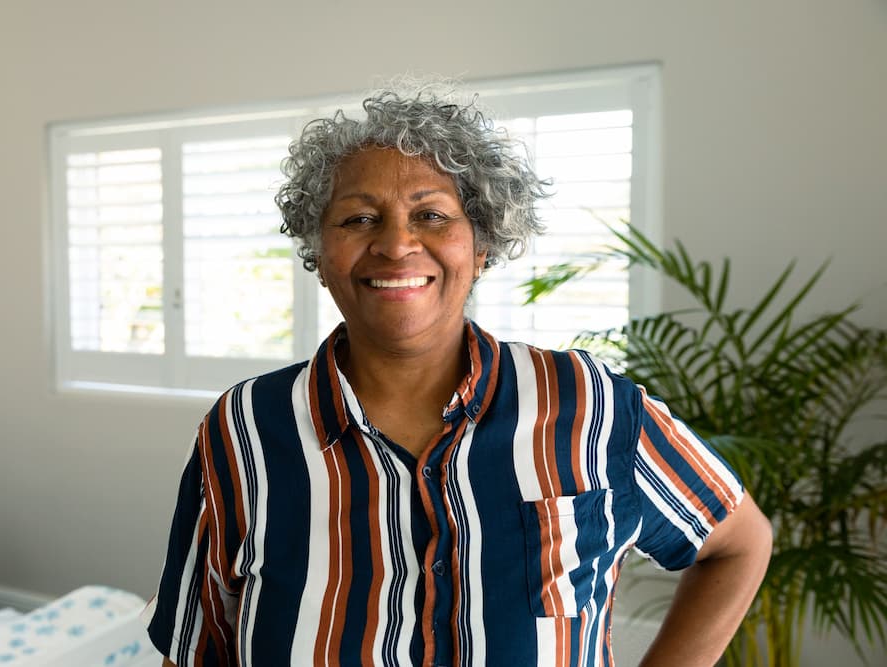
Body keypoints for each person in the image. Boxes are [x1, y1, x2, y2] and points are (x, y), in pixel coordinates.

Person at [143, 83, 772, 667]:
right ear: (319, 251)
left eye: (432, 215)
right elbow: (194, 638)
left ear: (483, 242)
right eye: (359, 219)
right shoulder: (245, 426)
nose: (395, 245)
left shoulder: (588, 404)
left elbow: (738, 544)